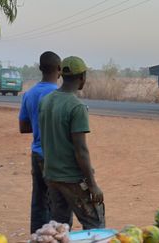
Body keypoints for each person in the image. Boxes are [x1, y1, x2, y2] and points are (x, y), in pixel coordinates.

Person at [39, 56, 105, 229]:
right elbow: (81, 150)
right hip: (72, 178)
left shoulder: (46, 101)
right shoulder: (77, 107)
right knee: (94, 224)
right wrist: (92, 185)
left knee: (60, 227)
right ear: (82, 77)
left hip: (51, 175)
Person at [18, 51, 61, 234]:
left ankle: (37, 237)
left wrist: (38, 127)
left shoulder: (29, 94)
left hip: (37, 153)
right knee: (59, 202)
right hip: (56, 156)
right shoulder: (60, 95)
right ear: (59, 70)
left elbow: (23, 126)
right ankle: (56, 235)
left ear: (40, 68)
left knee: (38, 200)